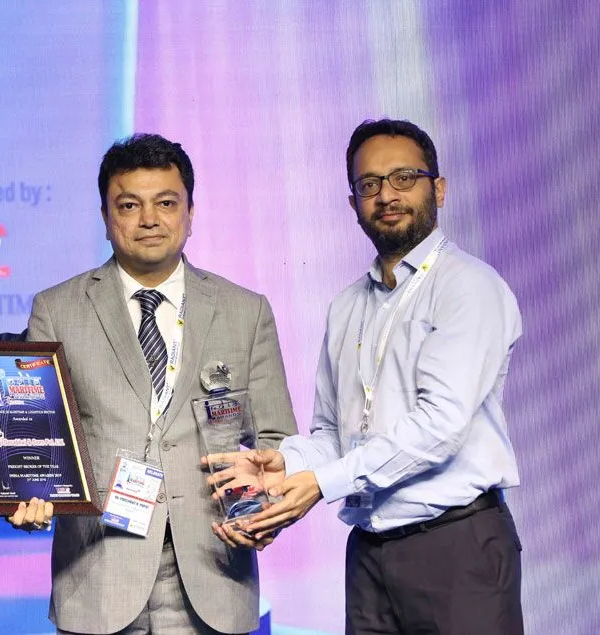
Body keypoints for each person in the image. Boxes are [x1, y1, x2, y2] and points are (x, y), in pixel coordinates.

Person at [210, 119, 524, 634]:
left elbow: (439, 427)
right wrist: (286, 466)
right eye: (369, 184)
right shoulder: (346, 307)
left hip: (457, 546)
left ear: (438, 189)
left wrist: (322, 484)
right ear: (353, 202)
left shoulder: (469, 287)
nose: (386, 195)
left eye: (404, 178)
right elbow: (334, 435)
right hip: (370, 554)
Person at [8, 134, 298, 634]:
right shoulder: (56, 309)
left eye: (166, 203)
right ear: (106, 216)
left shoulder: (245, 311)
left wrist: (261, 509)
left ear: (190, 212)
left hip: (214, 568)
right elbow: (38, 439)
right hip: (98, 574)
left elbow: (275, 440)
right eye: (129, 205)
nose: (149, 219)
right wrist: (28, 491)